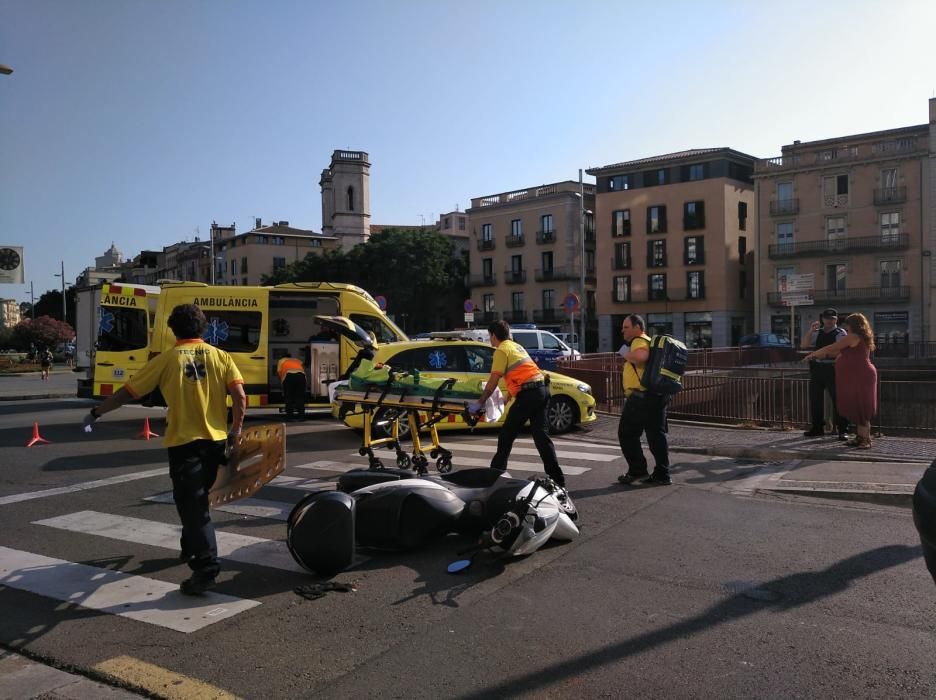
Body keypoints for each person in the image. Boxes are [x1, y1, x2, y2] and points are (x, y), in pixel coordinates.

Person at [82, 304, 246, 595]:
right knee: (197, 501)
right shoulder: (221, 356)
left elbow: (128, 392)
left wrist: (97, 412)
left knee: (194, 508)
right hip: (216, 441)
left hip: (184, 444)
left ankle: (206, 568)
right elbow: (240, 396)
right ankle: (189, 545)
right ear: (203, 328)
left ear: (173, 330)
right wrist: (235, 431)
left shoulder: (167, 359)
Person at [469, 320, 564, 487]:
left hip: (529, 395)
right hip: (541, 390)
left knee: (506, 435)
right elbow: (522, 375)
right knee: (542, 437)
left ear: (493, 335)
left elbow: (493, 382)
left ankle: (494, 476)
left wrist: (480, 402)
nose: (490, 341)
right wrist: (506, 399)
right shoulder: (516, 347)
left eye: (489, 337)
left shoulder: (501, 350)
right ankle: (558, 480)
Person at [803, 312, 878, 449]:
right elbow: (838, 353)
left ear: (853, 325)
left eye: (848, 324)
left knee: (861, 406)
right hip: (858, 374)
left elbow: (832, 347)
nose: (846, 326)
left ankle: (866, 440)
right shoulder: (859, 337)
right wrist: (820, 356)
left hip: (860, 374)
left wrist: (812, 354)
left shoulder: (853, 337)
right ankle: (860, 437)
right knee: (857, 405)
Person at [617, 314, 671, 485]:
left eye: (626, 327)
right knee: (656, 436)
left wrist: (625, 353)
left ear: (637, 327)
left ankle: (637, 470)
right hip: (657, 396)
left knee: (627, 434)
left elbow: (641, 357)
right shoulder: (649, 340)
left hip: (641, 398)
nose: (622, 330)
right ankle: (662, 474)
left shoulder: (638, 341)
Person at [800, 308, 850, 439]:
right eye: (827, 318)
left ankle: (842, 430)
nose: (829, 321)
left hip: (833, 369)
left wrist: (825, 354)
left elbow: (842, 351)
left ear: (836, 319)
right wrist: (810, 331)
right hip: (817, 369)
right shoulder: (817, 333)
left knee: (838, 400)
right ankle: (817, 428)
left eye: (832, 318)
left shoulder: (840, 333)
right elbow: (804, 345)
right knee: (815, 400)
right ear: (822, 319)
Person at [276, 351, 307, 419]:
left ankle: (290, 417)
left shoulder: (281, 361)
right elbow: (303, 367)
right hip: (301, 376)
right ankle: (301, 417)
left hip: (289, 376)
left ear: (283, 357)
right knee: (300, 397)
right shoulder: (296, 360)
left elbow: (279, 372)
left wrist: (282, 383)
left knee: (288, 397)